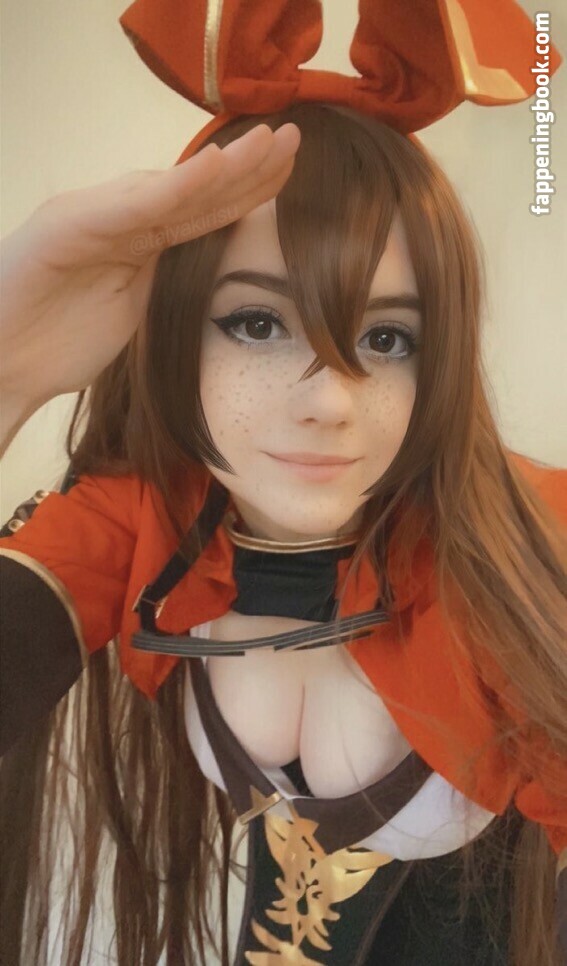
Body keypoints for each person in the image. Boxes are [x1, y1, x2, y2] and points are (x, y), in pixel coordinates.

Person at [1, 1, 566, 964]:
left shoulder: (526, 549)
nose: (330, 403)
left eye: (386, 338)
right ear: (172, 327)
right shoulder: (144, 518)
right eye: (257, 324)